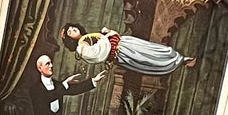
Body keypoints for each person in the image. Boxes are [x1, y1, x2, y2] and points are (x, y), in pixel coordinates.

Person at [62, 25, 198, 77]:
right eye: (70, 32)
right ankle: (177, 62)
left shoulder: (89, 37)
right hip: (121, 54)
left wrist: (108, 33)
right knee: (148, 59)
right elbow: (99, 55)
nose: (73, 30)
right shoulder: (81, 48)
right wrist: (106, 37)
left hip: (125, 43)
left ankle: (178, 57)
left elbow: (107, 39)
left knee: (152, 49)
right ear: (70, 39)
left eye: (73, 28)